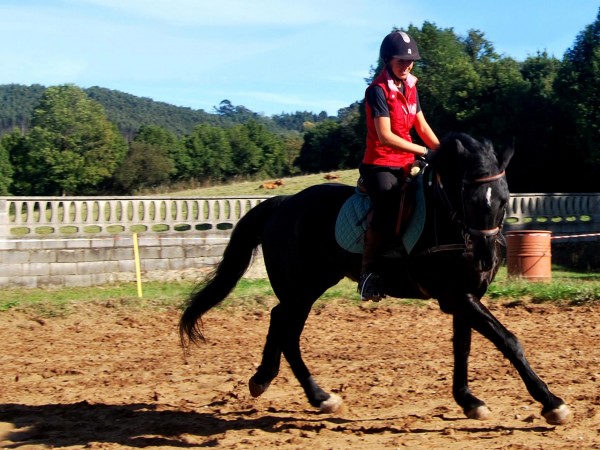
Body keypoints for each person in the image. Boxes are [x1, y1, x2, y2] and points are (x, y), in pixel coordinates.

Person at [358, 30, 440, 302]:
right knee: (389, 202)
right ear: (388, 60)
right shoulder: (377, 91)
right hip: (379, 164)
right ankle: (369, 273)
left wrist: (443, 152)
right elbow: (386, 136)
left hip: (406, 160)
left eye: (411, 60)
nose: (407, 65)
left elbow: (422, 125)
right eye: (401, 60)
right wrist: (424, 150)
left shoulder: (411, 87)